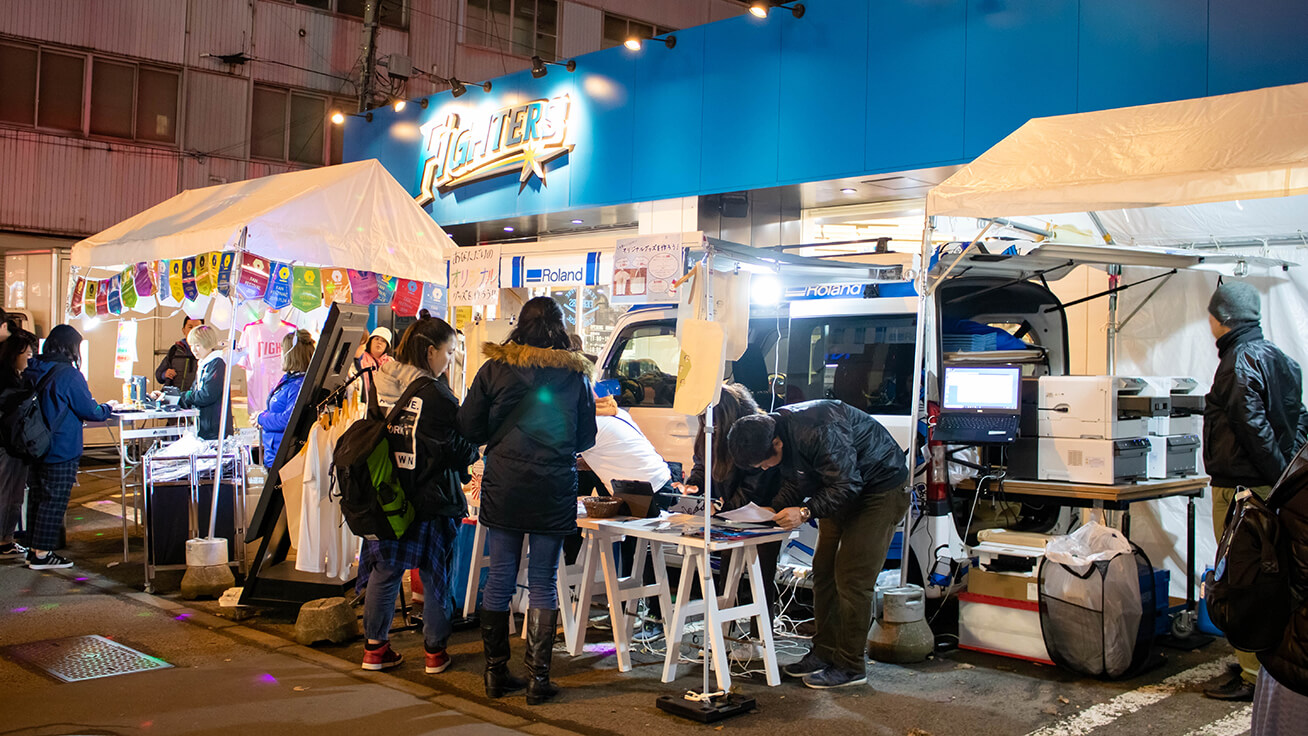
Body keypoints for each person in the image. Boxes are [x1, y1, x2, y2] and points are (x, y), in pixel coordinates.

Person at [459, 296, 597, 705]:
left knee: (499, 577)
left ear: (520, 325)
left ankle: (494, 674)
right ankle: (538, 679)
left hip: (505, 482)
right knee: (543, 580)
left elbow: (468, 424)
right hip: (552, 485)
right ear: (558, 328)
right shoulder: (576, 377)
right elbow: (586, 437)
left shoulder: (494, 368)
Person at [728, 399, 909, 690]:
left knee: (852, 579)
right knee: (823, 572)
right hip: (839, 490)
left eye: (763, 462)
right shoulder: (779, 434)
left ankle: (850, 665)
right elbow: (797, 481)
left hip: (879, 489)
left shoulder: (819, 427)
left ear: (776, 443)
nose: (762, 468)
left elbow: (849, 484)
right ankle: (824, 653)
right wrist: (769, 513)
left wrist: (805, 512)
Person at [1202, 281, 1308, 701]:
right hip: (1269, 484)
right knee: (1272, 576)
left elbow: (1251, 426)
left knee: (1241, 579)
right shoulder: (1282, 359)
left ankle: (1251, 673)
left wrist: (1278, 477)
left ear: (1221, 318)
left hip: (1240, 488)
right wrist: (1288, 477)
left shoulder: (1237, 362)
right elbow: (1300, 417)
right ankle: (1263, 663)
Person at [358, 317, 479, 676]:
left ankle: (375, 650)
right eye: (448, 352)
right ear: (431, 351)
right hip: (431, 497)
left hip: (388, 495)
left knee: (385, 570)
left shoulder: (380, 382)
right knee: (435, 574)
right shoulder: (437, 393)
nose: (448, 360)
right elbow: (458, 450)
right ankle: (434, 653)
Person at [680, 383, 783, 658]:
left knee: (762, 575)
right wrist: (694, 484)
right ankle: (722, 637)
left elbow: (754, 486)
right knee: (726, 573)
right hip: (728, 515)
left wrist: (722, 509)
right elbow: (702, 462)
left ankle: (762, 642)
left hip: (762, 512)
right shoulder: (708, 430)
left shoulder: (753, 433)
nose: (706, 426)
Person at [23, 325, 115, 570]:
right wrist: (107, 408)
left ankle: (33, 550)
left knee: (37, 497)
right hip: (61, 446)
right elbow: (90, 411)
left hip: (33, 444)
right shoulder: (69, 375)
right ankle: (42, 555)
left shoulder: (32, 368)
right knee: (54, 500)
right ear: (70, 347)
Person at [0, 329, 38, 558]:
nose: (30, 357)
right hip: (10, 445)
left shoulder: (13, 379)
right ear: (15, 354)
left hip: (10, 444)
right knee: (10, 493)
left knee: (11, 492)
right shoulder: (11, 382)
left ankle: (6, 538)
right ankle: (4, 540)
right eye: (27, 353)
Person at [256, 330, 314, 468]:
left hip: (282, 457)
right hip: (274, 453)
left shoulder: (298, 385)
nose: (280, 354)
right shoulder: (289, 379)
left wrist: (261, 418)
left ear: (291, 353)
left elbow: (289, 419)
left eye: (282, 350)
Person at [178, 325, 235, 442]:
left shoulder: (217, 364)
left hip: (215, 431)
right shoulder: (204, 365)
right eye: (191, 345)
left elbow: (207, 395)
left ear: (208, 343)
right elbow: (195, 392)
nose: (194, 349)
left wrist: (183, 396)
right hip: (205, 428)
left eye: (198, 345)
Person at [156, 316, 204, 390]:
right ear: (183, 330)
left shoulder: (207, 353)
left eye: (197, 328)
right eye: (190, 327)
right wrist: (165, 374)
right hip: (174, 398)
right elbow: (158, 375)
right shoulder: (175, 349)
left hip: (195, 399)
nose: (193, 331)